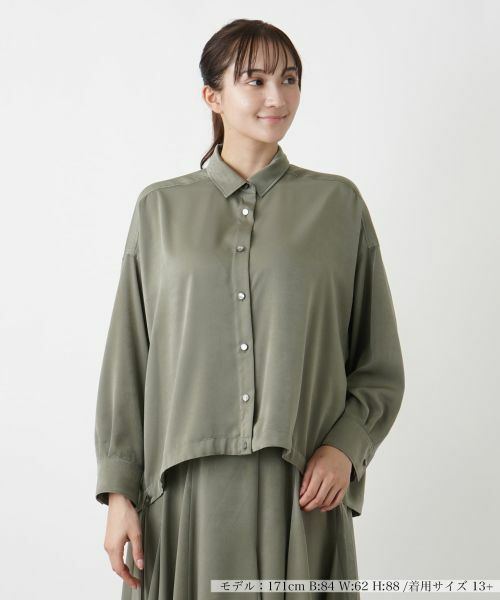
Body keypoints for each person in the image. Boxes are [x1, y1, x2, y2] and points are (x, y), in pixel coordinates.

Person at [94, 18, 405, 600]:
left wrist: (346, 447)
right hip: (182, 498)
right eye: (255, 80)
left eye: (289, 79)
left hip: (301, 492)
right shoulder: (159, 210)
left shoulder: (338, 206)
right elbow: (128, 362)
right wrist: (119, 494)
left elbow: (378, 361)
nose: (277, 97)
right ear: (212, 96)